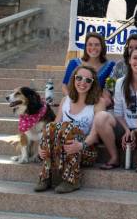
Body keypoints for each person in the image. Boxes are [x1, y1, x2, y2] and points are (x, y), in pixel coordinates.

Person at [35, 65, 106, 193]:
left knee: (68, 128)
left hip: (86, 150)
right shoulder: (65, 100)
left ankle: (72, 180)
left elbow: (95, 135)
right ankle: (45, 177)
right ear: (73, 79)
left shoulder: (98, 102)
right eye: (79, 78)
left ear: (93, 84)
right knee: (51, 126)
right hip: (62, 149)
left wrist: (81, 145)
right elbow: (54, 126)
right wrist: (41, 146)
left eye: (88, 80)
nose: (82, 83)